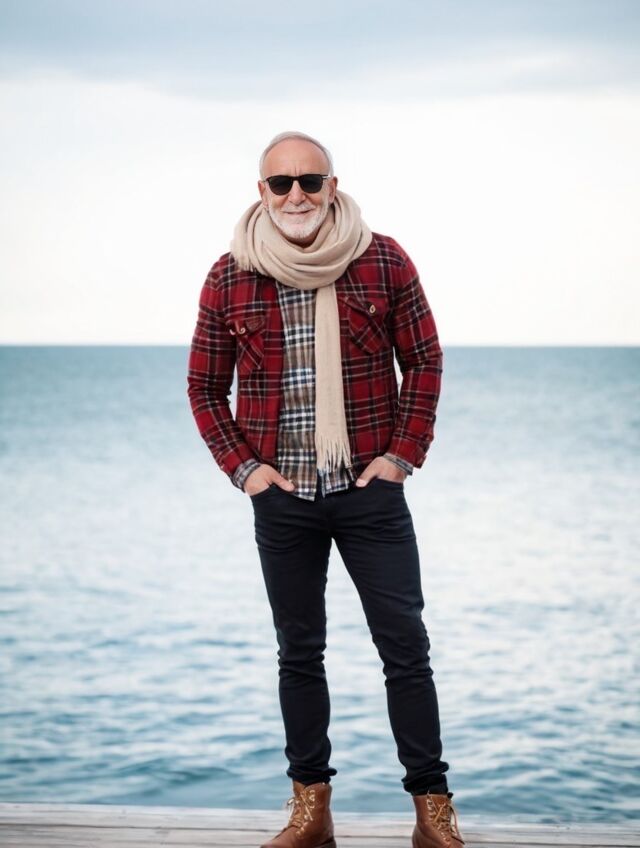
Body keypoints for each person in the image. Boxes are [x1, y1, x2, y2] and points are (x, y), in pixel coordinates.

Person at [187, 130, 465, 848]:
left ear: (332, 186)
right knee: (298, 652)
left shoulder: (383, 260)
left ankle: (432, 810)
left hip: (370, 491)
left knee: (405, 647)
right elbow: (204, 388)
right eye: (281, 183)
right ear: (262, 192)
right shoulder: (230, 275)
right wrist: (247, 472)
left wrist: (401, 456)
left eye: (310, 181)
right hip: (283, 499)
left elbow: (425, 361)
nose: (296, 195)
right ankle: (311, 811)